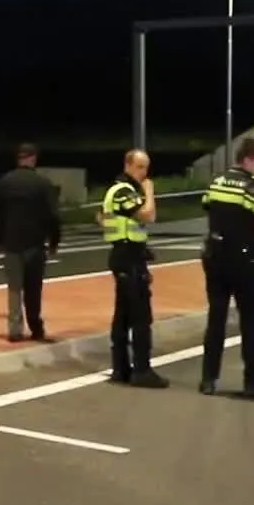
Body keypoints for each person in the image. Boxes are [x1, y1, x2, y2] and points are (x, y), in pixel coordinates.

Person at [198, 137, 254, 397]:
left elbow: (207, 206)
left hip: (215, 256)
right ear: (248, 159)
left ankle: (208, 379)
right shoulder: (253, 187)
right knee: (250, 322)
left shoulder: (217, 181)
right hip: (243, 260)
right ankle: (252, 382)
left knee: (216, 319)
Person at [101, 149, 167, 388]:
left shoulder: (124, 190)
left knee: (124, 314)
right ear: (128, 165)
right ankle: (141, 370)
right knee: (140, 316)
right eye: (140, 167)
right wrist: (149, 191)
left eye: (146, 167)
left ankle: (121, 368)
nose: (144, 172)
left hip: (128, 255)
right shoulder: (123, 191)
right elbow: (148, 215)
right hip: (127, 257)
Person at [0, 142, 61, 342]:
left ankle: (14, 329)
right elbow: (53, 216)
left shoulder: (4, 182)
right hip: (35, 243)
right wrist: (54, 240)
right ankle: (35, 326)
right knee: (33, 288)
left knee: (14, 288)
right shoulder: (43, 184)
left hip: (11, 242)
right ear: (33, 158)